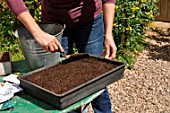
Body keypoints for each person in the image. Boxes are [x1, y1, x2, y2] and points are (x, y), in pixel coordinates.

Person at [6, 0, 117, 113]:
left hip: (89, 21)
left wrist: (108, 34)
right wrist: (37, 32)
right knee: (60, 82)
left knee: (97, 77)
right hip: (54, 23)